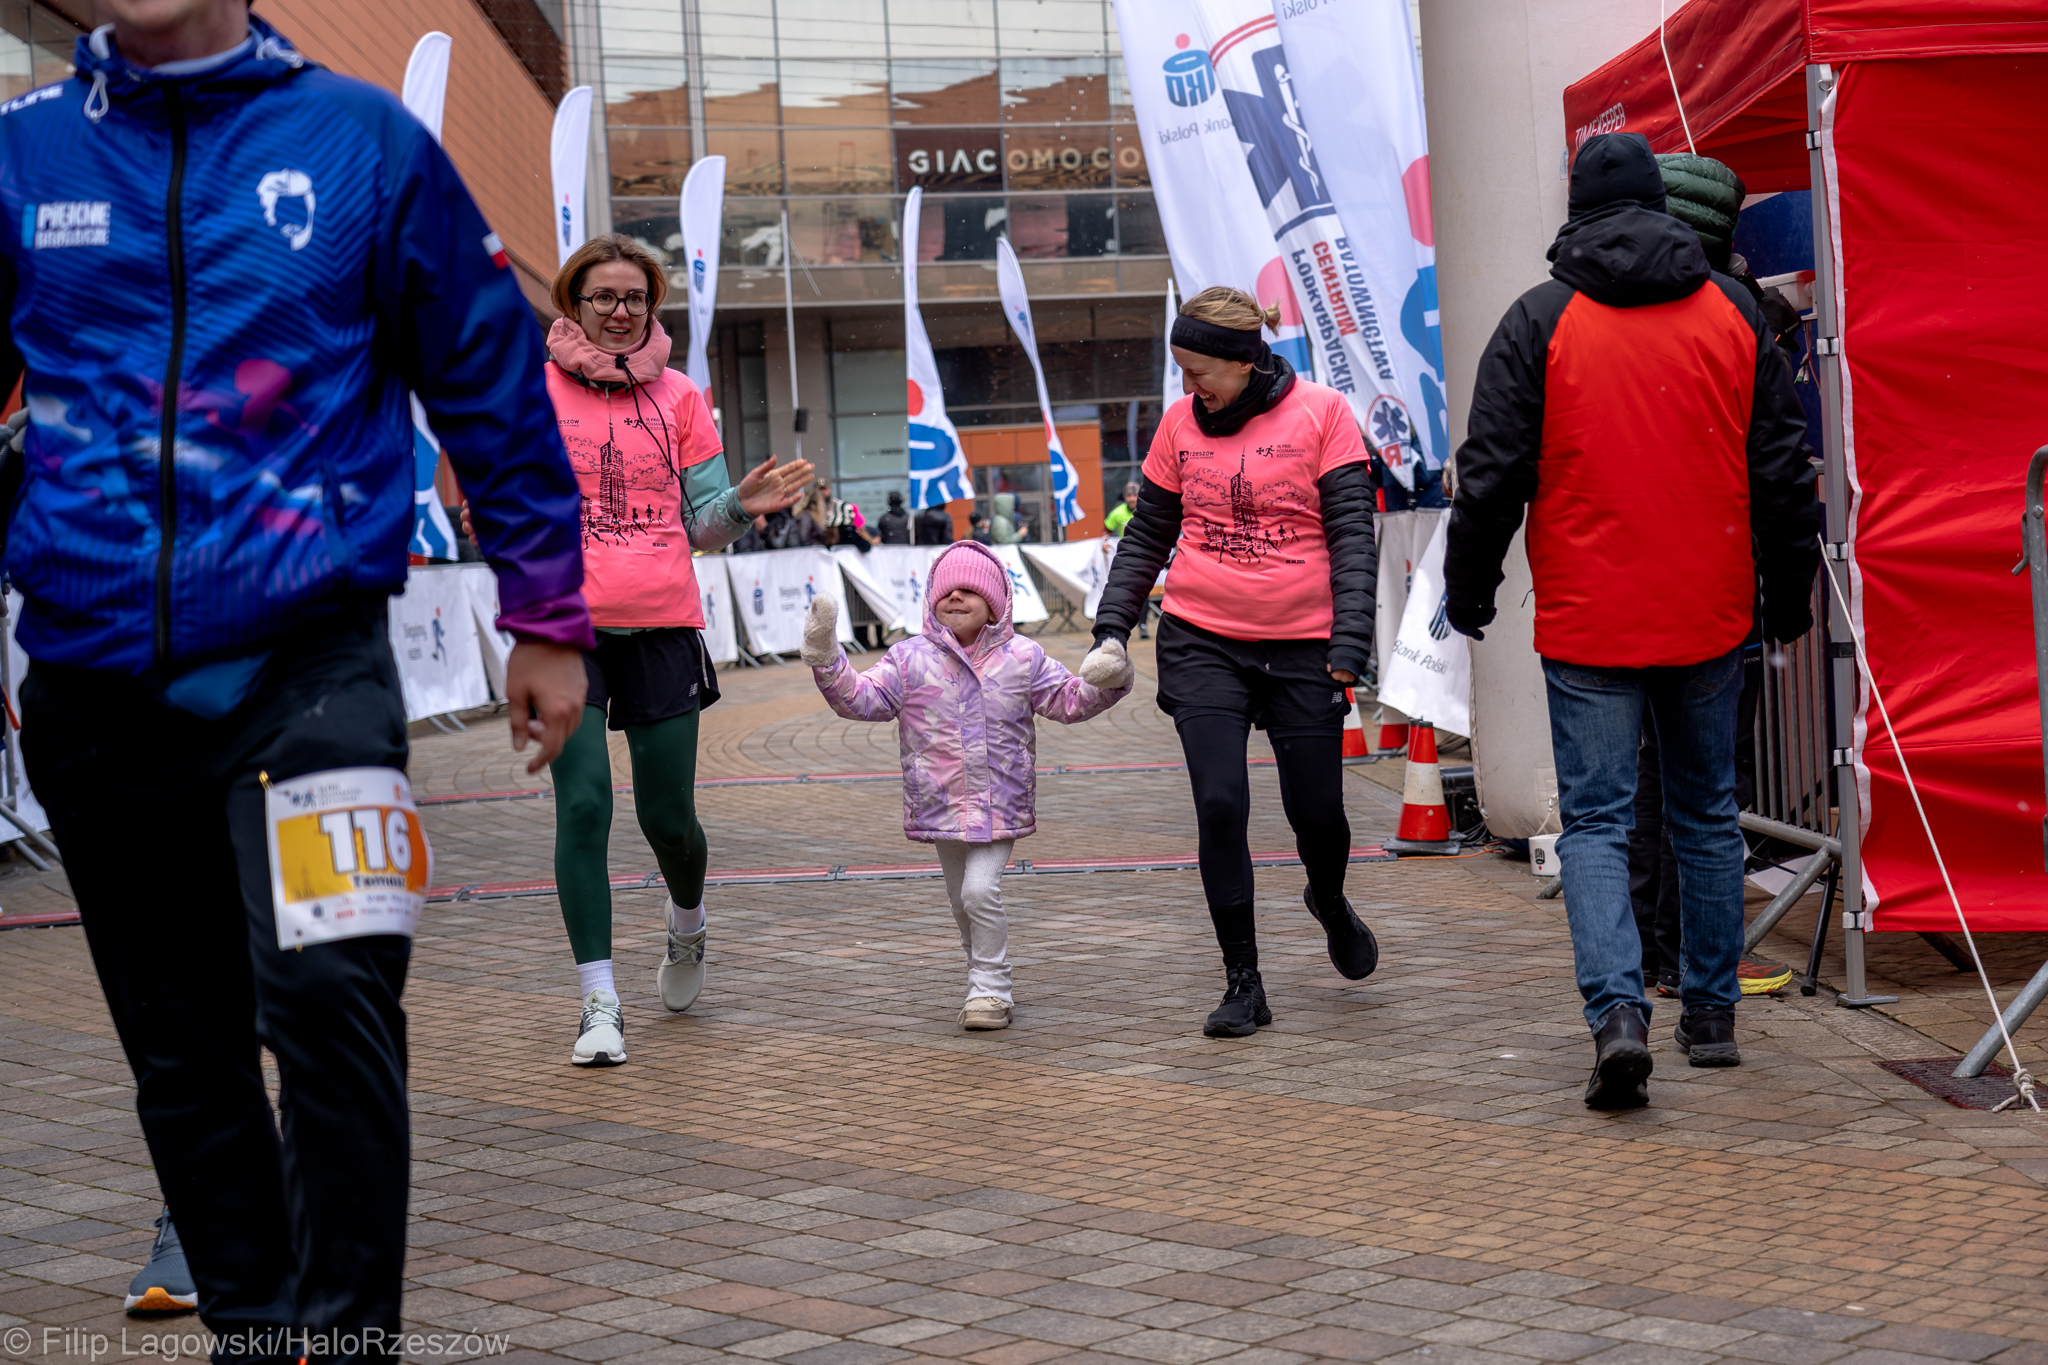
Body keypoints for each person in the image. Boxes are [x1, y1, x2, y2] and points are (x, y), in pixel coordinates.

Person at [2, 1, 592, 1357]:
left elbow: (491, 380)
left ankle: (349, 1337)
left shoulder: (361, 142)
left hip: (308, 669)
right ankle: (260, 1335)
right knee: (185, 1052)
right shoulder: (21, 154)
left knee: (332, 1005)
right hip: (92, 689)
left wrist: (547, 615)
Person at [1442, 132, 1820, 1109]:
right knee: (1704, 813)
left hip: (1589, 616)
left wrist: (1468, 590)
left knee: (1600, 825)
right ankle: (1711, 1015)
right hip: (1708, 608)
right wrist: (1787, 595)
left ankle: (1617, 1013)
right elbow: (1780, 472)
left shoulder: (1538, 319)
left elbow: (1490, 475)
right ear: (1659, 205)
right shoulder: (1733, 314)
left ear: (1574, 210)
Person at [536, 234, 813, 1066]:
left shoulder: (682, 395)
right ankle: (599, 1000)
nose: (620, 312)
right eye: (604, 297)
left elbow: (704, 524)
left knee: (669, 821)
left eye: (636, 298)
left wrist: (743, 505)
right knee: (584, 804)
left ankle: (687, 920)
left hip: (660, 622)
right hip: (564, 626)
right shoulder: (534, 391)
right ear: (574, 303)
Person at [1092, 286, 1379, 1038]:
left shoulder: (1323, 414)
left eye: (1200, 372)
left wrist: (1350, 641)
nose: (1190, 388)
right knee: (1220, 804)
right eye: (1182, 372)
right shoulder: (1179, 425)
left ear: (1245, 361)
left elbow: (1353, 533)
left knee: (1317, 814)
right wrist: (1111, 626)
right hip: (1202, 638)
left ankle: (1328, 896)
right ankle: (1244, 981)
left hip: (1304, 643)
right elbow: (1148, 534)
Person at [799, 543, 1132, 1028]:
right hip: (941, 801)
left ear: (995, 604)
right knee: (961, 901)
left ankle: (993, 988)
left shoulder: (1023, 657)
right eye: (946, 591)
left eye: (970, 591)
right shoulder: (908, 659)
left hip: (1001, 801)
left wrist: (1110, 679)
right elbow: (861, 699)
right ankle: (980, 976)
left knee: (979, 891)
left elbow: (1067, 699)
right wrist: (826, 659)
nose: (955, 597)